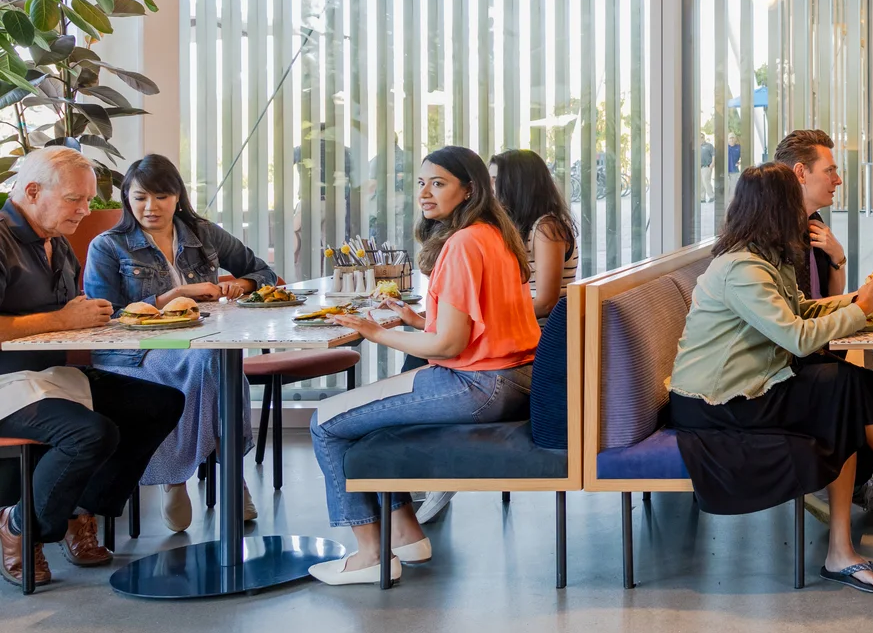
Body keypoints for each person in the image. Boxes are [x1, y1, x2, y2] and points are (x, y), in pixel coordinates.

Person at [668, 163, 873, 594]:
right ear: (777, 209)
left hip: (757, 385)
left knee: (856, 387)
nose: (804, 213)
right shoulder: (742, 269)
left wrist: (856, 299)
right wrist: (861, 308)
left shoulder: (766, 258)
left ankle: (848, 544)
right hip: (719, 403)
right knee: (846, 386)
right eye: (795, 204)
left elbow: (800, 311)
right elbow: (795, 338)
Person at [307, 146, 543, 586]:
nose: (425, 193)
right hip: (515, 379)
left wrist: (373, 331)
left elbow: (450, 345)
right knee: (368, 422)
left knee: (325, 422)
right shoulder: (496, 234)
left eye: (438, 183)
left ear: (468, 190)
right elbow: (482, 322)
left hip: (475, 384)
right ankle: (406, 534)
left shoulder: (463, 244)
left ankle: (369, 556)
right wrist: (416, 320)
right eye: (421, 183)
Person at [0, 148, 182, 588]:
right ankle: (19, 529)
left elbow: (72, 317)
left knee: (160, 403)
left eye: (89, 199)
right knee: (91, 433)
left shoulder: (57, 242)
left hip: (49, 377)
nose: (86, 210)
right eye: (74, 200)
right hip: (7, 381)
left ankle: (82, 511)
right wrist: (64, 321)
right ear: (31, 191)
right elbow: (60, 320)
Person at [82, 154, 281, 532]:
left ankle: (213, 474)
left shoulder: (202, 234)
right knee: (212, 366)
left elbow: (263, 271)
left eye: (161, 196)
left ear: (177, 197)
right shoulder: (107, 246)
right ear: (127, 198)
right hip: (132, 356)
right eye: (140, 197)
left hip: (199, 346)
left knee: (215, 362)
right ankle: (192, 477)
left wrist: (242, 284)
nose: (150, 207)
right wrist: (172, 296)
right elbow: (103, 318)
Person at [771, 128, 873, 516]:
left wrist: (838, 257)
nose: (838, 180)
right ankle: (852, 480)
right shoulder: (776, 234)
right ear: (799, 173)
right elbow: (798, 317)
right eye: (830, 171)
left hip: (820, 339)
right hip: (796, 355)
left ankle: (855, 478)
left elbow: (824, 295)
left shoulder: (812, 223)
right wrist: (859, 307)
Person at [492, 149, 578, 321]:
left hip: (542, 334)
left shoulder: (546, 228)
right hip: (523, 327)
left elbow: (546, 304)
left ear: (517, 185)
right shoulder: (517, 224)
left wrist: (493, 320)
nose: (488, 189)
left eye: (495, 181)